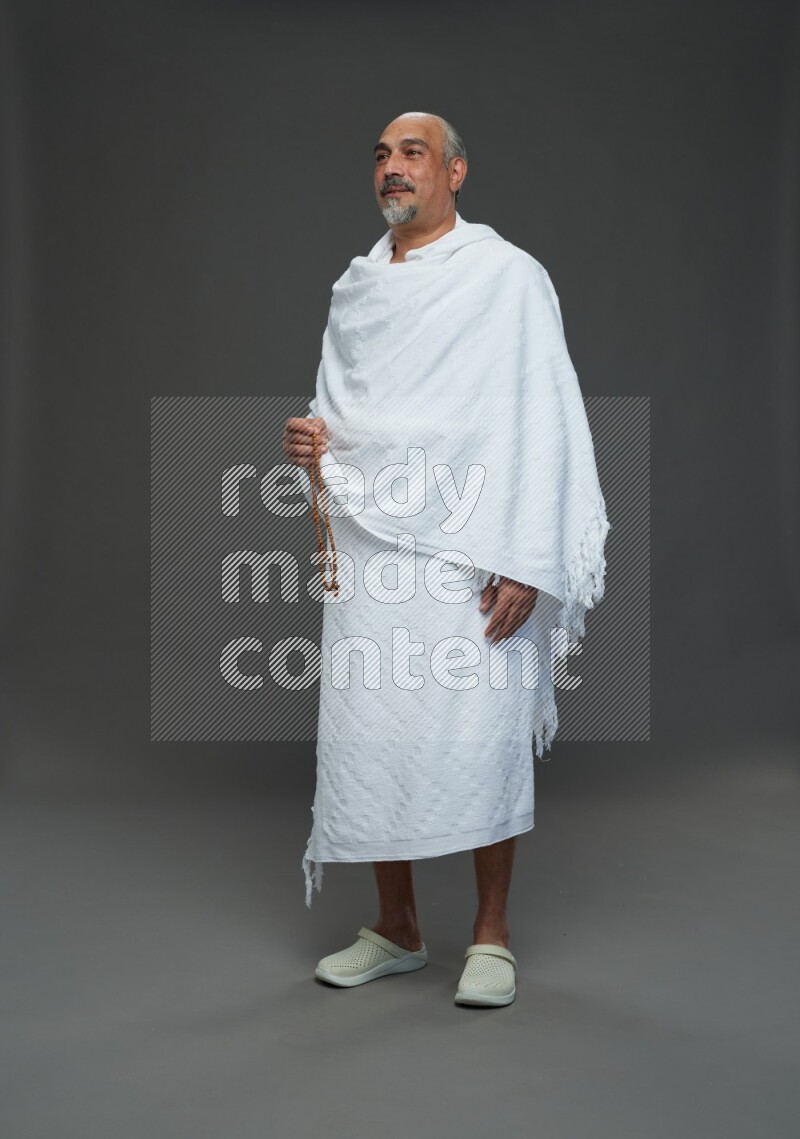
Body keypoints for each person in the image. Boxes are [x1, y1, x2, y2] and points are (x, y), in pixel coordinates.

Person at [283, 112, 609, 1007]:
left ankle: (491, 935)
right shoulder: (355, 288)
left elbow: (541, 419)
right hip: (367, 543)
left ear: (455, 172)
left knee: (481, 727)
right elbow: (342, 409)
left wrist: (529, 556)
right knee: (371, 719)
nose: (393, 169)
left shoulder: (506, 279)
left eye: (413, 154)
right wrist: (313, 443)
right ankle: (395, 927)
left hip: (473, 544)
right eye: (383, 156)